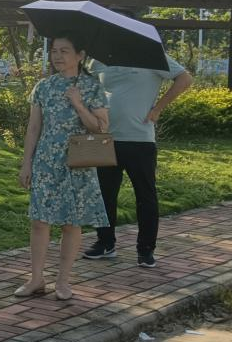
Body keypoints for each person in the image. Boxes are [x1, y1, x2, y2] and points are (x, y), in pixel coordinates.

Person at [84, 28, 193, 268]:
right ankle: (105, 243)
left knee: (145, 196)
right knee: (103, 195)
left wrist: (158, 108)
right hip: (105, 137)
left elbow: (184, 78)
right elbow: (91, 88)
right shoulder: (99, 60)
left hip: (140, 138)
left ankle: (145, 249)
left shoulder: (151, 55)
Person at [17, 34, 110, 301]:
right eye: (54, 50)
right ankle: (36, 279)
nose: (57, 56)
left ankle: (63, 281)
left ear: (80, 55)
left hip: (78, 162)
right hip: (46, 161)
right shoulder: (44, 87)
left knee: (71, 222)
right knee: (39, 220)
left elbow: (101, 128)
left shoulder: (92, 87)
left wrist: (78, 104)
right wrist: (26, 162)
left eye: (64, 51)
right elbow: (34, 128)